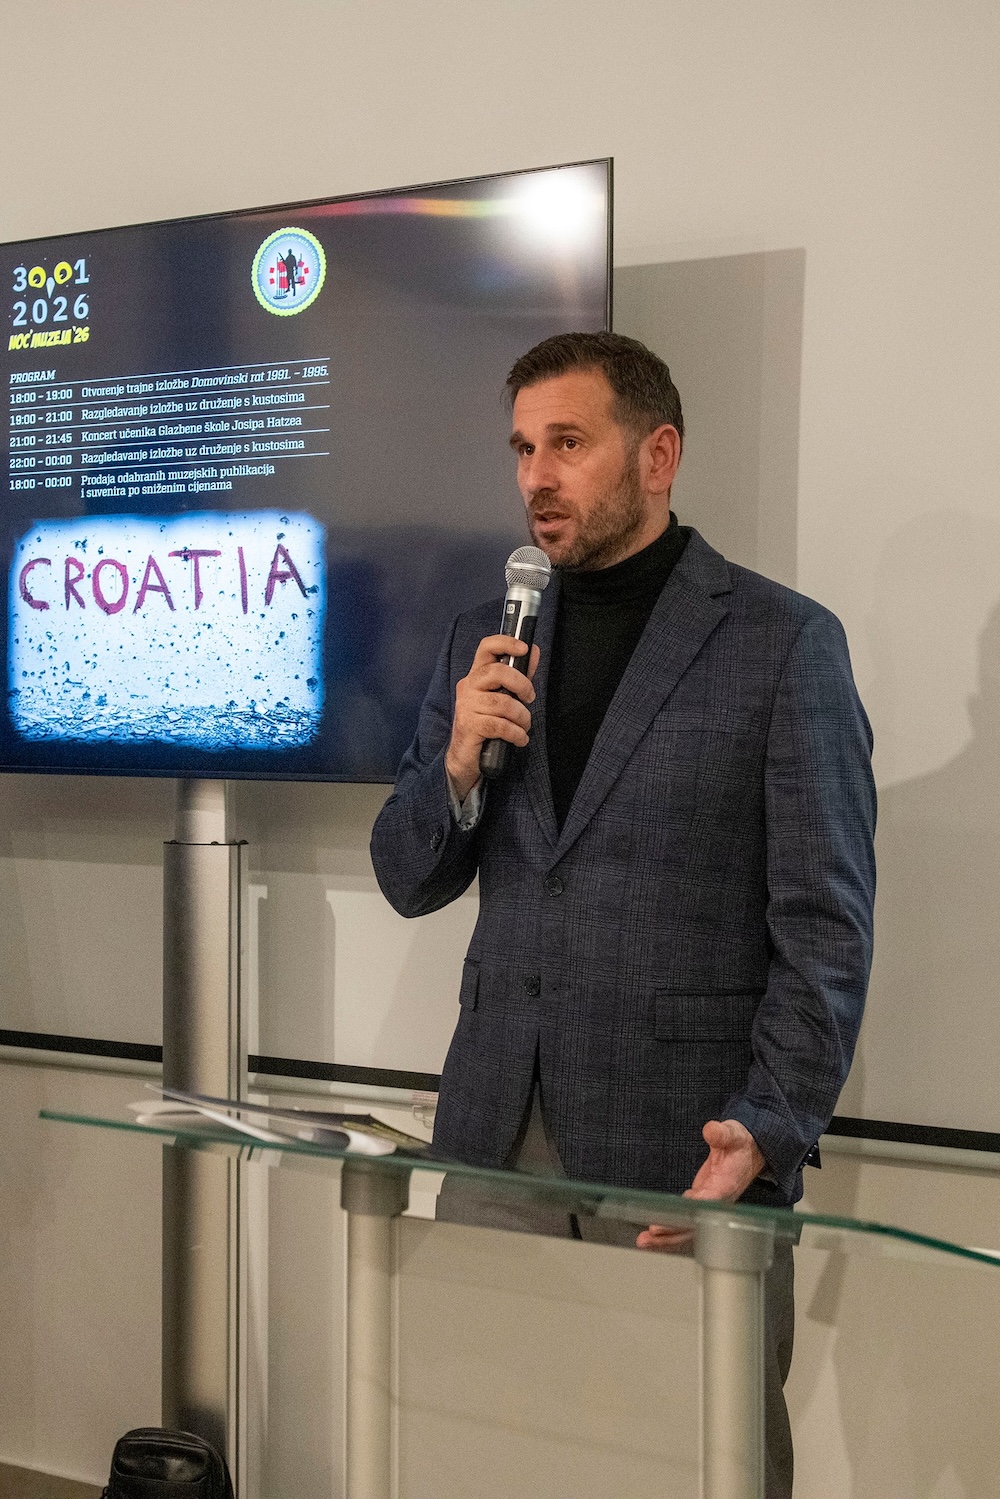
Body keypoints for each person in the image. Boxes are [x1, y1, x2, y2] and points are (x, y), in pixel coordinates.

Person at [370, 331, 876, 1497]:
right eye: (521, 448)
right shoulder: (486, 634)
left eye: (567, 443)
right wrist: (456, 763)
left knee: (695, 1460)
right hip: (495, 1136)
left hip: (683, 1154)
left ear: (658, 455)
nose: (535, 477)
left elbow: (826, 925)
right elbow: (406, 874)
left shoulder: (782, 643)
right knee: (490, 1450)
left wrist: (769, 1125)